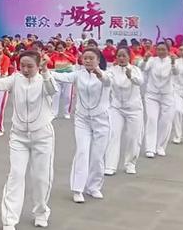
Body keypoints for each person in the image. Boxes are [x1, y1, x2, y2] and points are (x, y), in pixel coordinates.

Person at [0, 49, 58, 230]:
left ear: (38, 66)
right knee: (16, 175)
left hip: (42, 136)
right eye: (23, 66)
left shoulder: (44, 80)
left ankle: (41, 212)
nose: (26, 70)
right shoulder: (15, 79)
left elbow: (53, 90)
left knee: (41, 177)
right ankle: (9, 220)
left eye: (30, 66)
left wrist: (45, 72)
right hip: (19, 136)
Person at [53, 48, 111, 203]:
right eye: (85, 58)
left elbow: (107, 81)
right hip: (82, 120)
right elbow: (61, 77)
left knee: (98, 155)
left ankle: (93, 187)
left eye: (91, 58)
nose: (88, 61)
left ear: (98, 60)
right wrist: (44, 70)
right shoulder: (78, 74)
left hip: (102, 120)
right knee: (82, 152)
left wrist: (99, 72)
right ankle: (78, 189)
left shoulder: (106, 74)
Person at [104, 47, 143, 176]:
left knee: (133, 137)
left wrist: (130, 76)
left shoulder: (135, 69)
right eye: (119, 56)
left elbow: (140, 82)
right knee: (113, 134)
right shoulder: (112, 70)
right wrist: (98, 73)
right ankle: (110, 165)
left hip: (134, 109)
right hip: (116, 108)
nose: (121, 58)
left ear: (129, 57)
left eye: (124, 56)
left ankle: (130, 163)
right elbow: (106, 79)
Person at [140, 42, 177, 158]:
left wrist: (173, 63)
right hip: (152, 94)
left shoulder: (172, 60)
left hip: (167, 95)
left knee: (165, 121)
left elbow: (176, 73)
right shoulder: (152, 60)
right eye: (159, 49)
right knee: (151, 119)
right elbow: (142, 68)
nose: (161, 52)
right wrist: (145, 60)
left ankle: (160, 146)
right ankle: (150, 148)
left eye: (163, 50)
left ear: (168, 50)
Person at [49, 41, 77, 119]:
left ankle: (66, 112)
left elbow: (74, 61)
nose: (60, 50)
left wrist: (65, 55)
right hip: (57, 76)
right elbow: (50, 65)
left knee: (67, 96)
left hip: (68, 76)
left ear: (65, 48)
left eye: (61, 48)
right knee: (55, 95)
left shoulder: (69, 54)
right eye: (58, 48)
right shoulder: (54, 56)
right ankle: (54, 113)